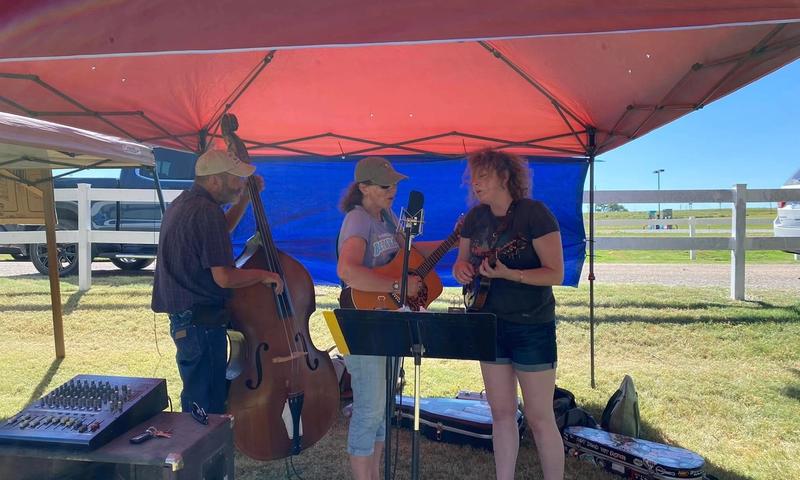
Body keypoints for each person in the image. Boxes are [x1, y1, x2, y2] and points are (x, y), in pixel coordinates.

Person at [452, 149, 565, 480]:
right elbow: (462, 262)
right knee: (501, 413)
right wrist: (461, 269)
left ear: (504, 176)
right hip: (488, 323)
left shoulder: (534, 214)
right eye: (473, 177)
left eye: (483, 176)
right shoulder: (474, 218)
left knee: (539, 416)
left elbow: (555, 273)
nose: (475, 183)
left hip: (532, 325)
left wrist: (511, 274)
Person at [152, 149, 283, 415]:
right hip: (200, 321)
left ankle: (199, 439)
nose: (241, 184)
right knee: (207, 403)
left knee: (198, 394)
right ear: (214, 181)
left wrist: (244, 200)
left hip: (188, 320)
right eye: (235, 179)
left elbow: (219, 230)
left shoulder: (184, 203)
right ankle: (204, 443)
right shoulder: (206, 211)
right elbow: (224, 277)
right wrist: (264, 275)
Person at [336, 156, 441, 480]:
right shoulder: (357, 219)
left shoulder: (386, 216)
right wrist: (396, 285)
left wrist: (454, 243)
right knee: (369, 410)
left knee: (382, 410)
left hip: (385, 321)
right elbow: (347, 271)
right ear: (364, 188)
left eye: (394, 183)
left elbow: (411, 255)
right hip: (360, 324)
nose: (392, 190)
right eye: (385, 185)